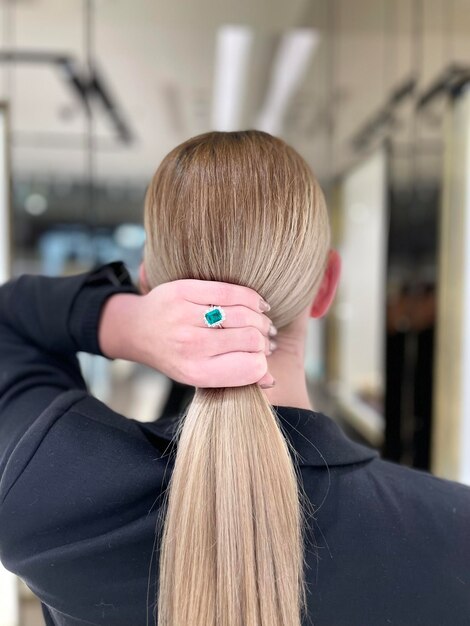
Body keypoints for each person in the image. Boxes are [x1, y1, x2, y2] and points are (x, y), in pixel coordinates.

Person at [0, 130, 468, 626]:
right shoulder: (453, 534)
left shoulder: (49, 491)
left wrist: (126, 324)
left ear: (147, 284)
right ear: (326, 286)